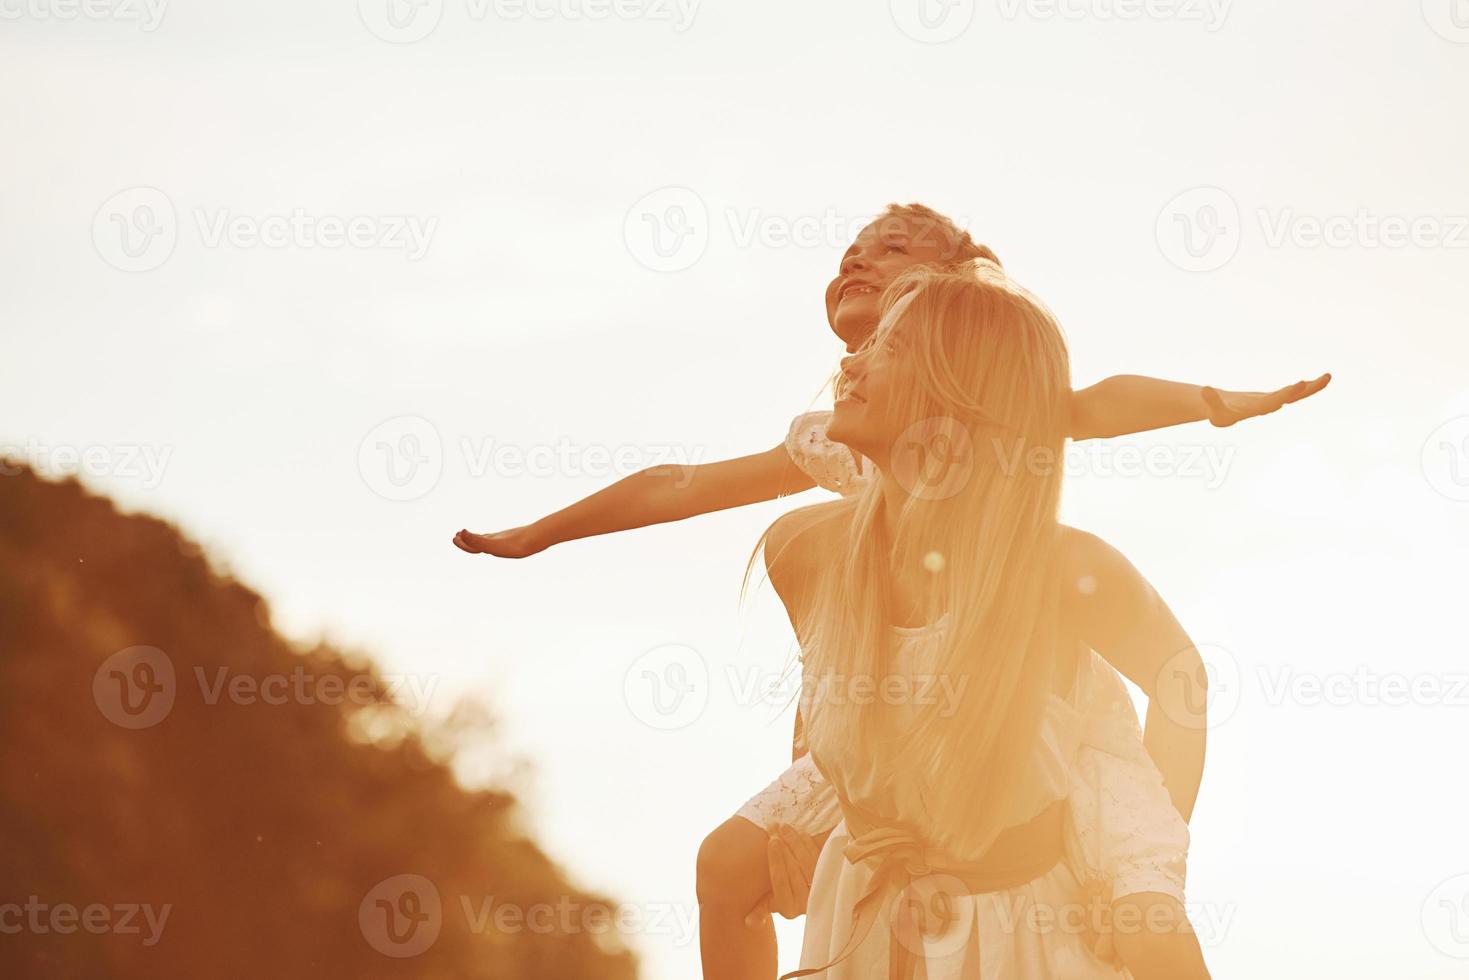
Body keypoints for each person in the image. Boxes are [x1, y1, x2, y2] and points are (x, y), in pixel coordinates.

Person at [764, 261, 1210, 978]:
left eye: (892, 348)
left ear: (961, 402)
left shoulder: (1063, 568)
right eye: (868, 341)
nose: (852, 362)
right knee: (718, 866)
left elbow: (1182, 680)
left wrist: (1130, 871)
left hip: (1031, 930)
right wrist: (806, 833)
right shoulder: (801, 553)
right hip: (869, 918)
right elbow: (833, 713)